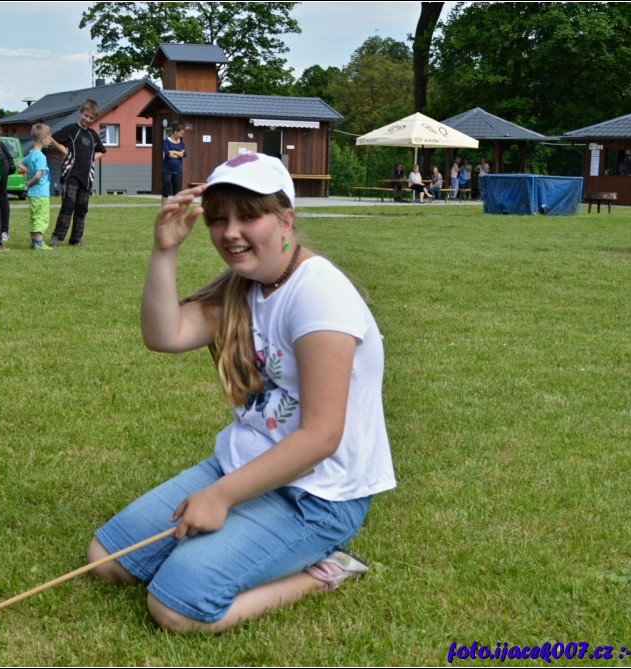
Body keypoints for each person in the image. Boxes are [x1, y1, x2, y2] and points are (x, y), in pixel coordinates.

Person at [87, 152, 396, 633]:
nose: (231, 232)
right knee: (106, 559)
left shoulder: (319, 294)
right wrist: (164, 249)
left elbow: (321, 437)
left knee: (178, 606)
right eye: (218, 219)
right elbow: (163, 336)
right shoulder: (244, 286)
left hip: (315, 496)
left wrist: (220, 497)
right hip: (240, 466)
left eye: (249, 216)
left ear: (285, 219)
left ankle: (324, 571)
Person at [48, 98, 106, 248]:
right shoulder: (71, 129)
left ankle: (76, 239)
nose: (88, 119)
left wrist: (92, 158)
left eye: (91, 118)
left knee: (82, 209)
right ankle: (57, 237)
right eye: (86, 116)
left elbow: (103, 151)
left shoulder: (93, 135)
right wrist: (64, 152)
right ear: (81, 113)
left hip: (86, 178)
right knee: (68, 205)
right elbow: (53, 139)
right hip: (71, 175)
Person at [21, 123, 59, 251]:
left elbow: (19, 163)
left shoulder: (31, 154)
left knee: (34, 217)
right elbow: (38, 176)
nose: (50, 140)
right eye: (49, 138)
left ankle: (34, 242)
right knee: (41, 218)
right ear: (43, 139)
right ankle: (39, 243)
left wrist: (29, 171)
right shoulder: (41, 156)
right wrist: (30, 181)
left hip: (33, 194)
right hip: (40, 193)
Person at [161, 123, 187, 207]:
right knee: (166, 189)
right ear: (175, 132)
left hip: (178, 170)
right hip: (167, 169)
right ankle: (164, 209)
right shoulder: (166, 141)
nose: (182, 135)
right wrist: (179, 153)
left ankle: (176, 209)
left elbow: (184, 154)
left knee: (177, 190)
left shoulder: (181, 143)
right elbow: (168, 154)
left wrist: (174, 152)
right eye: (181, 133)